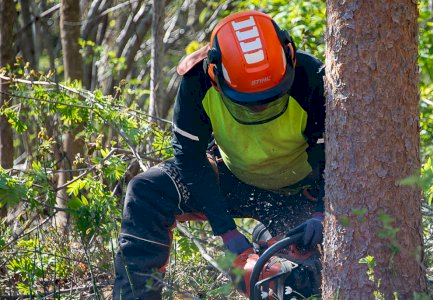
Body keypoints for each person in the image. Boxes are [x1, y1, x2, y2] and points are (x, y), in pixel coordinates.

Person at [112, 10, 326, 300]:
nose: (260, 108)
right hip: (232, 180)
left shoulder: (312, 78)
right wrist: (225, 229)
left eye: (270, 99)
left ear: (289, 59)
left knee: (292, 280)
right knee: (146, 190)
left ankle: (272, 243)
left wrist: (322, 213)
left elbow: (338, 158)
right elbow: (189, 156)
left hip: (301, 193)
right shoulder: (197, 81)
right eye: (248, 103)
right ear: (215, 77)